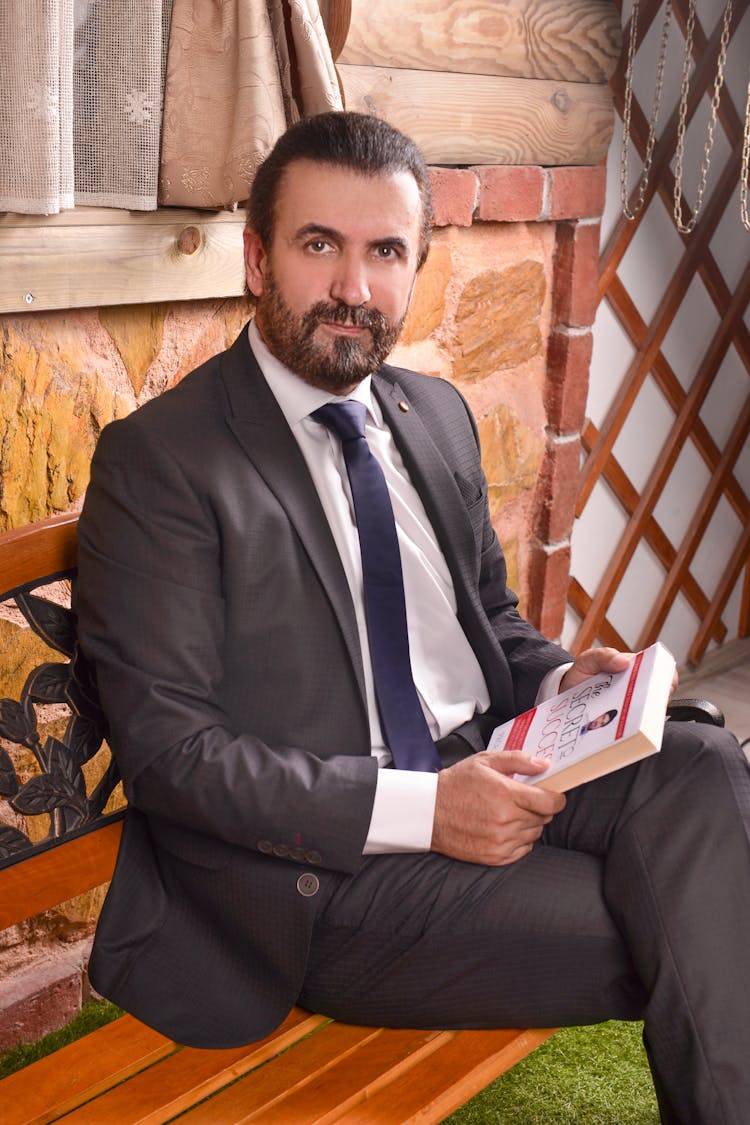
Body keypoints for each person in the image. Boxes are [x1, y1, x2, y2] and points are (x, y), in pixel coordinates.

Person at [77, 111, 750, 1124]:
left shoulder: (432, 416)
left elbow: (490, 627)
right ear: (258, 258)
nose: (354, 287)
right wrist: (426, 810)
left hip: (488, 764)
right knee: (684, 917)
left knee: (703, 765)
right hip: (325, 879)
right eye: (320, 245)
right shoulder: (163, 463)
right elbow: (174, 755)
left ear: (417, 265)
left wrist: (567, 683)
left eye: (385, 251)